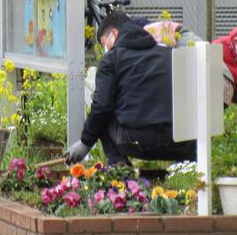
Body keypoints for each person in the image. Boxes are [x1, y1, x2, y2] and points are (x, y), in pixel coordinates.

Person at [66, 12, 196, 166]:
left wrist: (85, 143)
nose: (105, 48)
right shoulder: (169, 53)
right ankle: (186, 170)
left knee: (103, 115)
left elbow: (102, 106)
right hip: (180, 142)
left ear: (114, 34)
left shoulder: (112, 59)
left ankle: (120, 169)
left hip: (135, 141)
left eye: (104, 43)